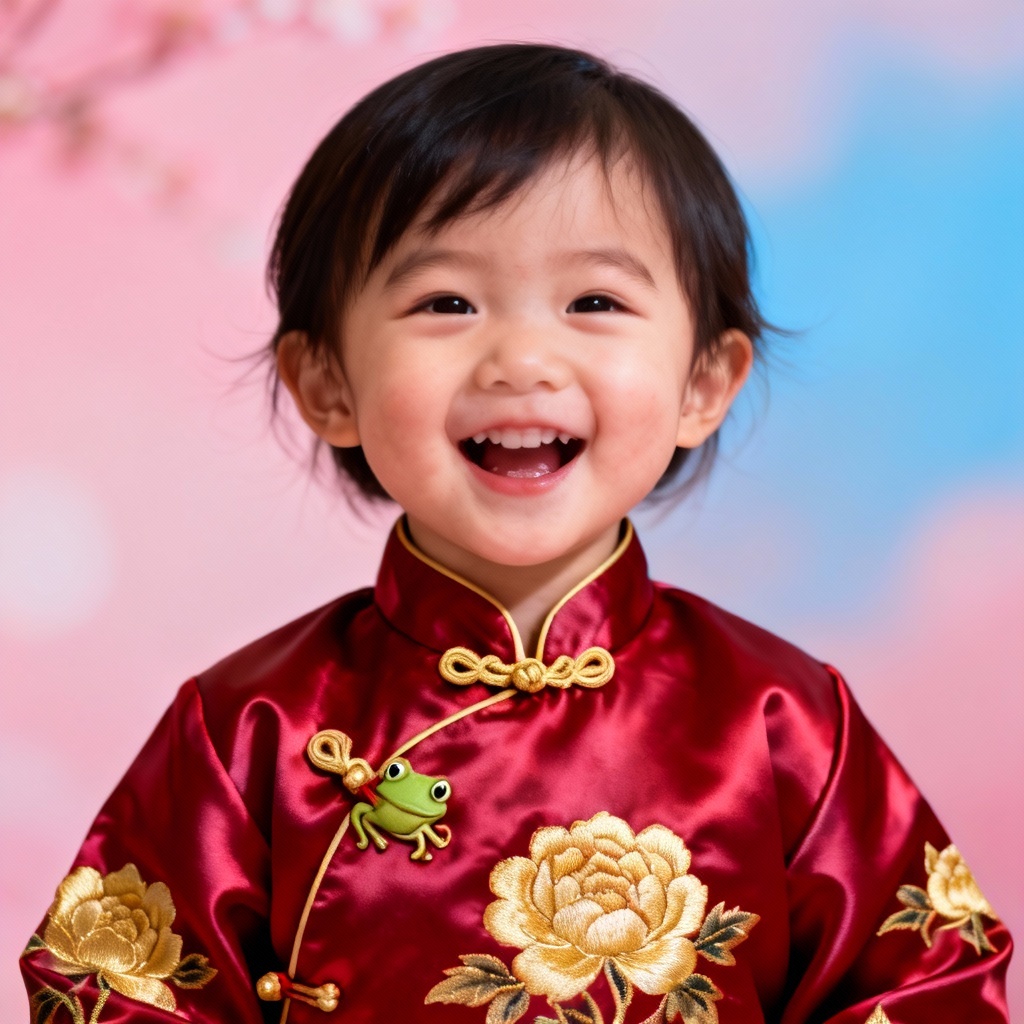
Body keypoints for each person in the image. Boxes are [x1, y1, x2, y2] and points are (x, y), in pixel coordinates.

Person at [20, 43, 1011, 1024]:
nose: (523, 358)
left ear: (704, 384)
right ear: (326, 385)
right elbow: (108, 992)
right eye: (445, 302)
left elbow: (932, 989)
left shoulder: (785, 720)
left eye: (594, 302)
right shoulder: (246, 728)